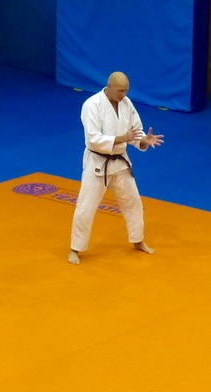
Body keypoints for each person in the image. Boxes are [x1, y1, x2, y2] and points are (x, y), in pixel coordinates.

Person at [68, 71, 163, 265]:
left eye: (126, 91)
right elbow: (93, 139)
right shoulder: (92, 105)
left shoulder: (127, 104)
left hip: (119, 161)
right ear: (109, 86)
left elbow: (135, 131)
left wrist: (143, 140)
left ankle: (138, 240)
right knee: (86, 208)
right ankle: (75, 249)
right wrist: (122, 138)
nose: (124, 95)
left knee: (134, 203)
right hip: (97, 164)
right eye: (120, 90)